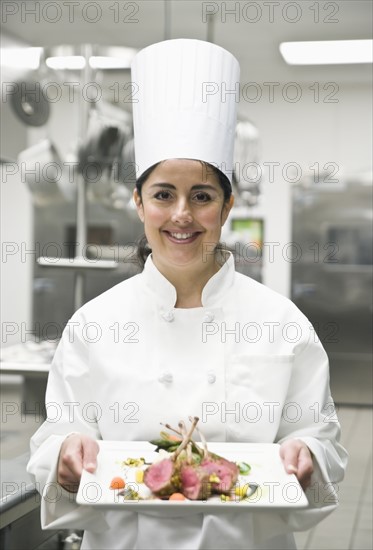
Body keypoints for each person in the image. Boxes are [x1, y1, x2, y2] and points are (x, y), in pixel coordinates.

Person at [27, 39, 347, 550]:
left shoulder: (281, 322)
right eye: (162, 195)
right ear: (138, 202)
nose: (181, 214)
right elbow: (55, 439)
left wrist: (307, 455)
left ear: (225, 208)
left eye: (201, 196)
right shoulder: (94, 324)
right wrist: (66, 457)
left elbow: (320, 437)